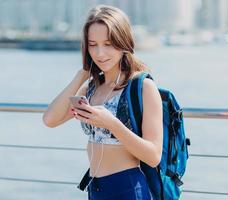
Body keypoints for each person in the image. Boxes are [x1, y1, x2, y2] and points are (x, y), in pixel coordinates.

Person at [43, 5, 163, 200]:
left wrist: (111, 123)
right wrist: (80, 76)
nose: (99, 53)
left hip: (128, 187)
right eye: (92, 44)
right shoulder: (91, 88)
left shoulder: (142, 87)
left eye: (108, 44)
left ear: (123, 42)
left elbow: (153, 155)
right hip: (95, 188)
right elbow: (50, 120)